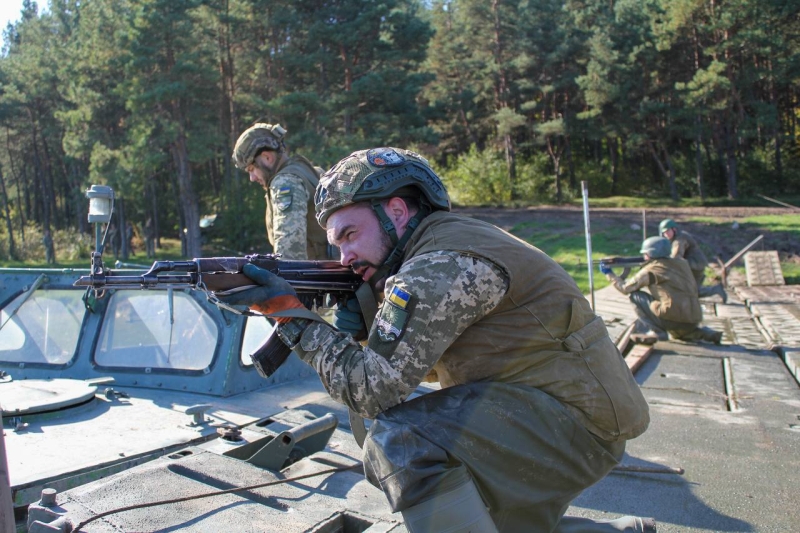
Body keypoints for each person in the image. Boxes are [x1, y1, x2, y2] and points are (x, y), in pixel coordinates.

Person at [220, 147, 655, 532]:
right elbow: (421, 364)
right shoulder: (443, 244)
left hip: (577, 423)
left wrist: (293, 319)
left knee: (402, 439)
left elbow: (374, 390)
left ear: (396, 212)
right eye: (335, 245)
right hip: (556, 407)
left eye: (350, 236)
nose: (344, 257)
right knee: (466, 504)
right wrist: (361, 324)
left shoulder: (438, 267)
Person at [232, 123, 331, 260]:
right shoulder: (309, 171)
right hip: (329, 273)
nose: (252, 178)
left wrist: (284, 279)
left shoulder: (286, 182)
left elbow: (290, 249)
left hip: (313, 278)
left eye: (252, 169)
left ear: (267, 157)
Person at [603, 236, 722, 345]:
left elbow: (625, 288)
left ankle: (658, 332)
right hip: (694, 319)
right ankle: (705, 333)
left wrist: (609, 274)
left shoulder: (653, 269)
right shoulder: (681, 263)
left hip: (672, 318)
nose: (644, 256)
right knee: (682, 333)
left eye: (645, 254)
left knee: (635, 296)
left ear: (650, 253)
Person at [659, 218, 726, 303]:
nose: (666, 234)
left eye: (668, 231)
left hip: (695, 266)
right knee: (691, 292)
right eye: (664, 232)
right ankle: (716, 289)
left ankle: (716, 290)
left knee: (690, 293)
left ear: (674, 229)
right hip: (691, 265)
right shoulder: (675, 238)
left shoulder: (680, 239)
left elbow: (676, 256)